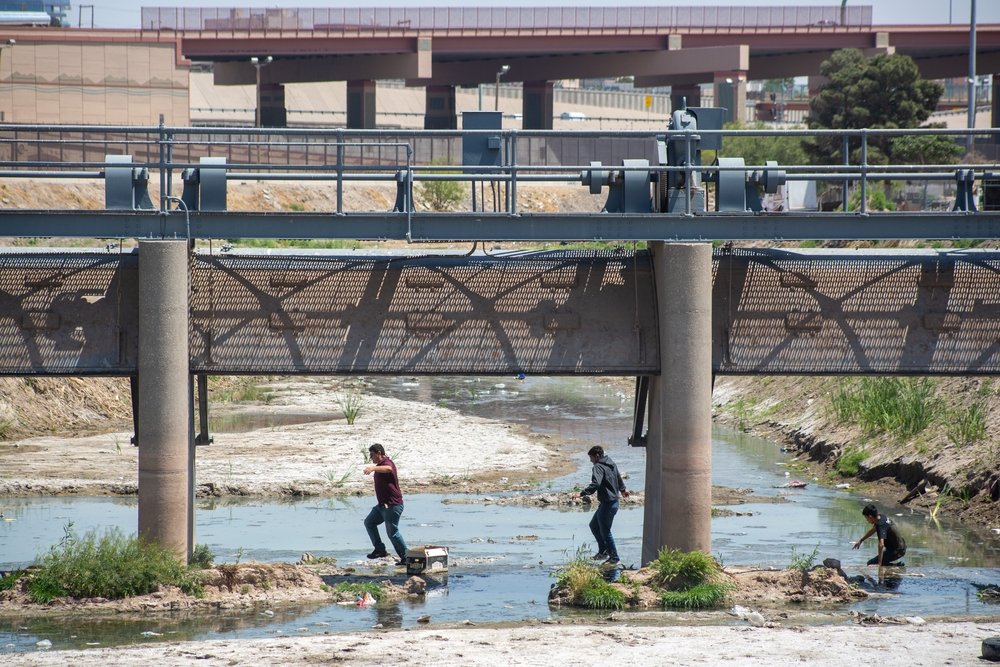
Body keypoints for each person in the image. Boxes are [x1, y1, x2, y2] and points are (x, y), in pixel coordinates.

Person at [577, 445, 629, 566]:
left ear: (597, 456)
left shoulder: (598, 466)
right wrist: (623, 490)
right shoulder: (611, 463)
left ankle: (614, 558)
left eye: (591, 458)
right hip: (612, 502)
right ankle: (604, 552)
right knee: (594, 525)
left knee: (605, 530)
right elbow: (618, 478)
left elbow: (596, 484)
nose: (590, 461)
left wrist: (582, 493)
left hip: (608, 503)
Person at [362, 443, 407, 565]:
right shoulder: (380, 465)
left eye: (372, 455)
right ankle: (380, 549)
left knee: (392, 532)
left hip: (392, 505)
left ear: (379, 453)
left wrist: (372, 468)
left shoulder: (388, 463)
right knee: (369, 522)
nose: (371, 458)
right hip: (382, 506)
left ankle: (406, 557)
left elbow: (388, 469)